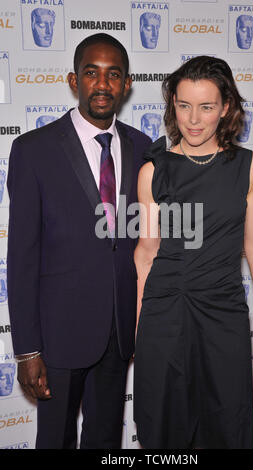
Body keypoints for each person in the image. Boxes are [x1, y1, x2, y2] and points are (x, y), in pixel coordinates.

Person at [7, 33, 151, 449]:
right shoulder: (33, 150)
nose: (102, 84)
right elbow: (22, 257)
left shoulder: (144, 150)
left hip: (120, 332)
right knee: (55, 439)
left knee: (105, 439)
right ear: (74, 80)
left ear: (127, 84)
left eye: (113, 75)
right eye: (91, 73)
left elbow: (145, 246)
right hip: (57, 336)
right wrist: (28, 350)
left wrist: (143, 325)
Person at [133, 56, 253, 449]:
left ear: (226, 107)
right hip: (165, 313)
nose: (193, 119)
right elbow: (146, 253)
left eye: (207, 106)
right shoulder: (153, 171)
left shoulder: (249, 166)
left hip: (223, 311)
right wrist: (139, 327)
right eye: (184, 105)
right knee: (164, 425)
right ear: (172, 105)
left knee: (228, 422)